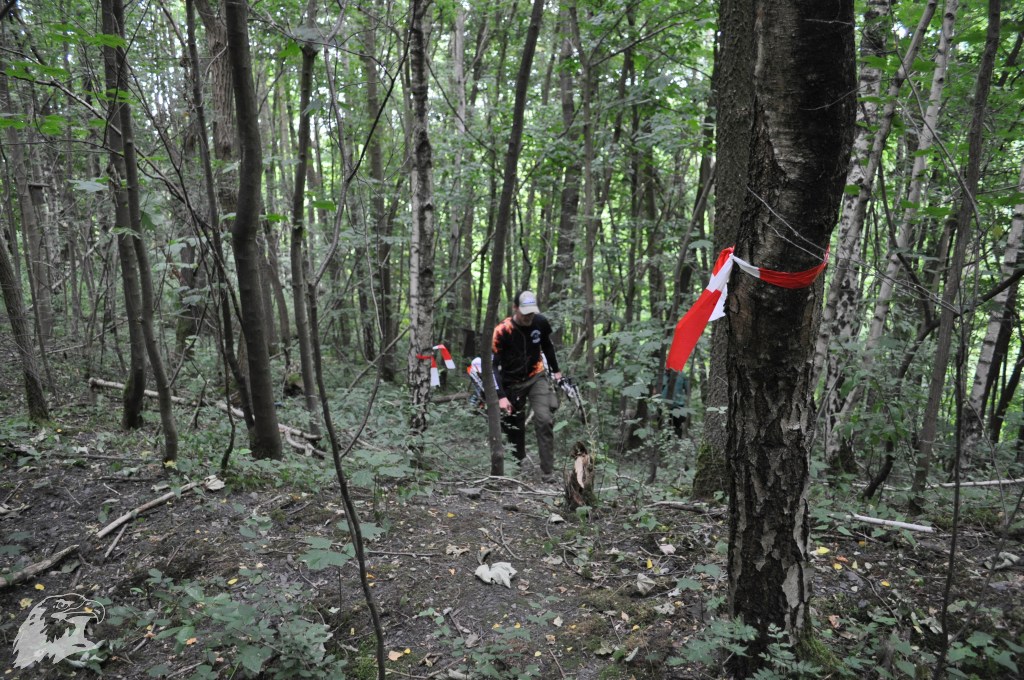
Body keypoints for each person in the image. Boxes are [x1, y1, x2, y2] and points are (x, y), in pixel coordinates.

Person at [492, 290, 562, 481]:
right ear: (515, 308)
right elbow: (493, 366)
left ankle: (547, 471)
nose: (529, 317)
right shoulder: (502, 331)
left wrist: (556, 371)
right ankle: (518, 463)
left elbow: (547, 346)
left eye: (531, 313)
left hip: (536, 376)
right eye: (525, 313)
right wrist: (501, 396)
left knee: (544, 419)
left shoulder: (540, 322)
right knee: (514, 425)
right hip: (511, 382)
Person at [661, 369, 690, 437]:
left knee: (677, 425)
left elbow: (687, 390)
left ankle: (678, 440)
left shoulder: (682, 375)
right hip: (663, 404)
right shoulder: (663, 374)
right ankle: (665, 440)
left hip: (678, 404)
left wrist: (686, 401)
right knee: (664, 425)